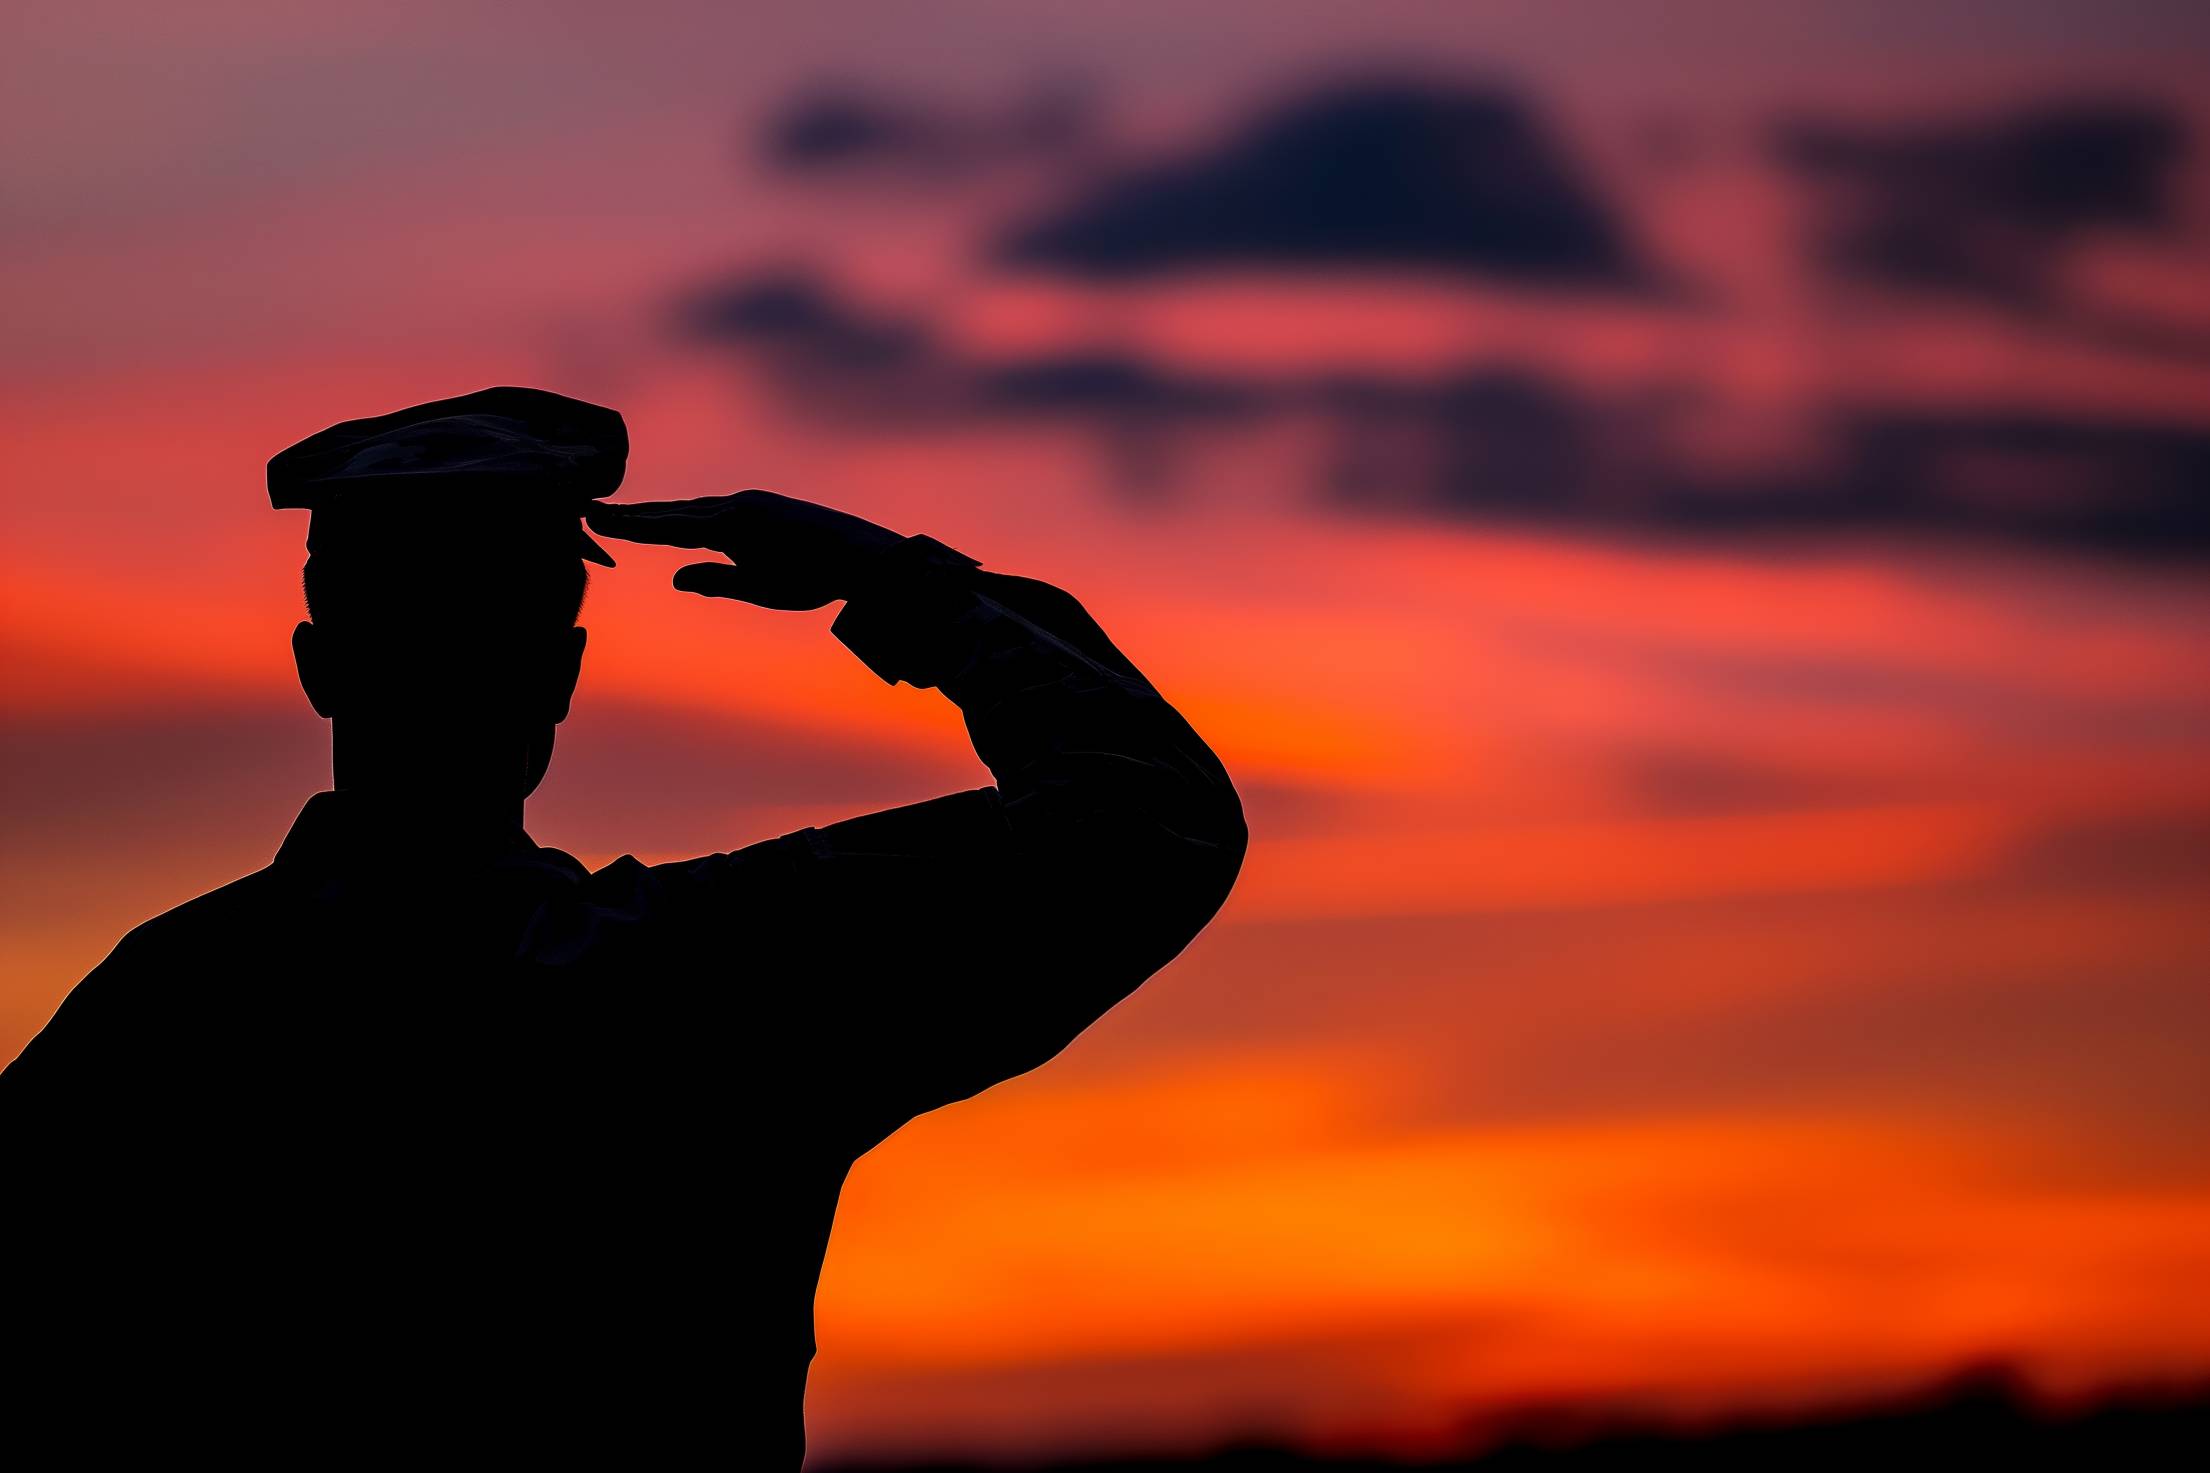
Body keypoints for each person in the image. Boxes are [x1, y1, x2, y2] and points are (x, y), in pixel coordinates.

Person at [0, 387, 1245, 1465]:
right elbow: (1147, 821)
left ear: (320, 666)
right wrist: (897, 585)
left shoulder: (158, 1013)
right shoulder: (717, 980)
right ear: (563, 674)